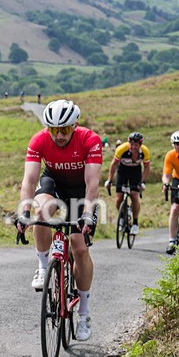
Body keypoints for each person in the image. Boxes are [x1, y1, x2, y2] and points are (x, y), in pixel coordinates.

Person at [16, 99, 103, 341]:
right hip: (52, 183)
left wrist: (87, 214)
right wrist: (23, 211)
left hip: (80, 193)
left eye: (64, 129)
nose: (59, 135)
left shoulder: (89, 140)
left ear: (75, 125)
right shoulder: (39, 140)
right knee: (40, 213)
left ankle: (84, 313)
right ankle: (44, 267)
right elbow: (29, 181)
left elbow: (92, 184)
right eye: (54, 130)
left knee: (79, 247)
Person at [105, 132, 150, 236]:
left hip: (136, 172)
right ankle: (121, 216)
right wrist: (109, 180)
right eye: (131, 144)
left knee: (134, 195)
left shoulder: (144, 151)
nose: (133, 147)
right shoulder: (121, 149)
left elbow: (147, 167)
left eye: (136, 145)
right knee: (118, 198)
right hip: (122, 171)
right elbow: (113, 165)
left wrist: (142, 182)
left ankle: (135, 222)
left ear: (140, 145)